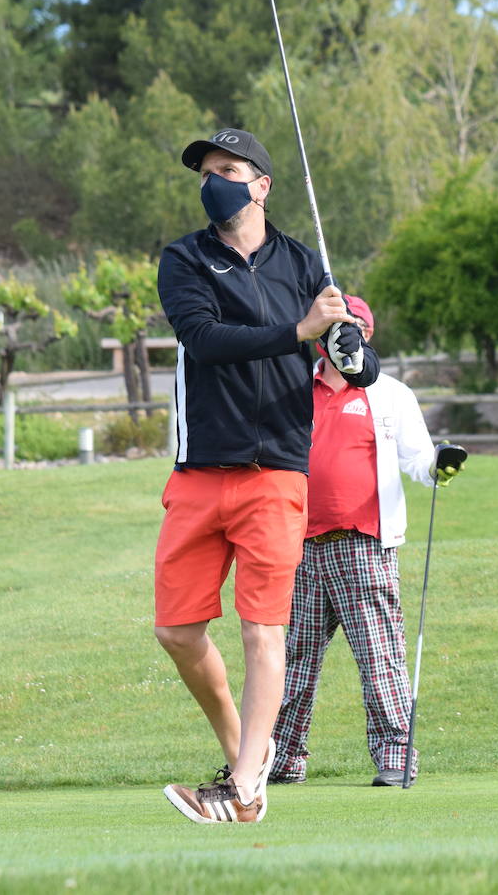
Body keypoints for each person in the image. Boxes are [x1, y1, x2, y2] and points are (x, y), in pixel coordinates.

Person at [156, 128, 379, 824]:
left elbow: (358, 370)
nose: (212, 181)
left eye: (227, 170)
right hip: (200, 470)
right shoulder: (185, 258)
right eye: (204, 172)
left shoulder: (305, 264)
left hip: (277, 473)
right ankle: (242, 755)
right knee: (177, 631)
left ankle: (247, 783)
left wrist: (348, 345)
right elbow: (206, 340)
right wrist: (298, 331)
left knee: (263, 632)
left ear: (262, 185)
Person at [269, 296, 463, 787]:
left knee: (379, 657)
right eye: (333, 327)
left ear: (366, 335)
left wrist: (440, 464)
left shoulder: (390, 393)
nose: (341, 336)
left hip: (363, 543)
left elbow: (418, 458)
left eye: (351, 327)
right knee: (290, 661)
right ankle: (281, 758)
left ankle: (396, 756)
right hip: (299, 546)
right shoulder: (294, 387)